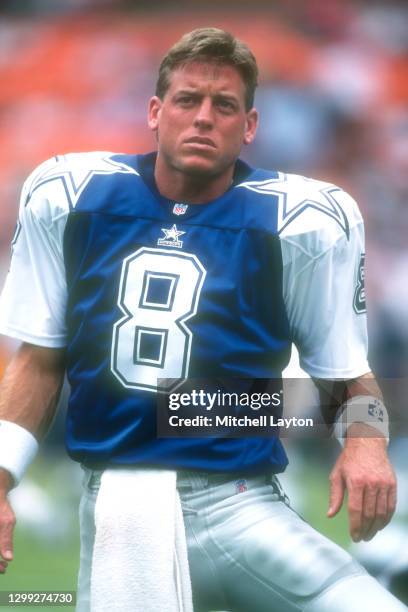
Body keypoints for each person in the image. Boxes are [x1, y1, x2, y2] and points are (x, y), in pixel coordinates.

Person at [0, 27, 405, 612]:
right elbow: (39, 359)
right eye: (188, 100)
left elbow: (345, 373)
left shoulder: (302, 219)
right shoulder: (73, 194)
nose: (204, 118)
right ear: (155, 112)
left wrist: (366, 443)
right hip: (126, 511)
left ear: (250, 126)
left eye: (225, 106)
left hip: (243, 504)